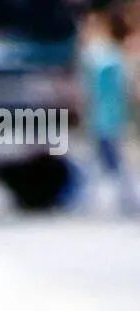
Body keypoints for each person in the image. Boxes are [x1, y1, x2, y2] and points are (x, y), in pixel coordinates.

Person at [79, 7, 138, 214]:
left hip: (107, 115)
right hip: (107, 115)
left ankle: (117, 198)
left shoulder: (101, 57)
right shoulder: (109, 56)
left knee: (109, 159)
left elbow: (94, 90)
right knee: (106, 159)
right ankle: (117, 198)